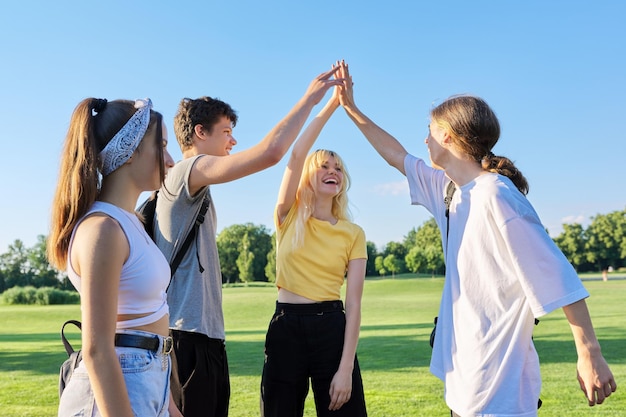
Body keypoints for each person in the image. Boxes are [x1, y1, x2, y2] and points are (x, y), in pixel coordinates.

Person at [336, 62, 617, 416]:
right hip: (464, 386)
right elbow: (396, 155)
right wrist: (351, 109)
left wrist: (589, 353)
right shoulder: (449, 191)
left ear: (449, 137)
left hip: (499, 392)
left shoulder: (497, 195)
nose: (425, 140)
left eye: (430, 131)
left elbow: (558, 275)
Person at [152, 66, 342, 417]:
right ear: (199, 133)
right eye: (226, 132)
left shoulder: (194, 187)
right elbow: (272, 153)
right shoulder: (186, 173)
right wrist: (310, 99)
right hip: (187, 339)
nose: (232, 141)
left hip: (203, 339)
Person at [48, 98, 181, 416]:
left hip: (149, 377)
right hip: (116, 388)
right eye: (161, 146)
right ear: (131, 150)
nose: (171, 160)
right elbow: (96, 351)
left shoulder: (130, 222)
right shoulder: (102, 229)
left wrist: (169, 405)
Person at [260, 80, 368, 417]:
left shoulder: (353, 233)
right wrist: (332, 106)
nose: (332, 171)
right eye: (324, 165)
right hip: (286, 328)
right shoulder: (287, 217)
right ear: (309, 175)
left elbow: (353, 304)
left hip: (331, 329)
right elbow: (295, 154)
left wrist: (345, 369)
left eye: (337, 168)